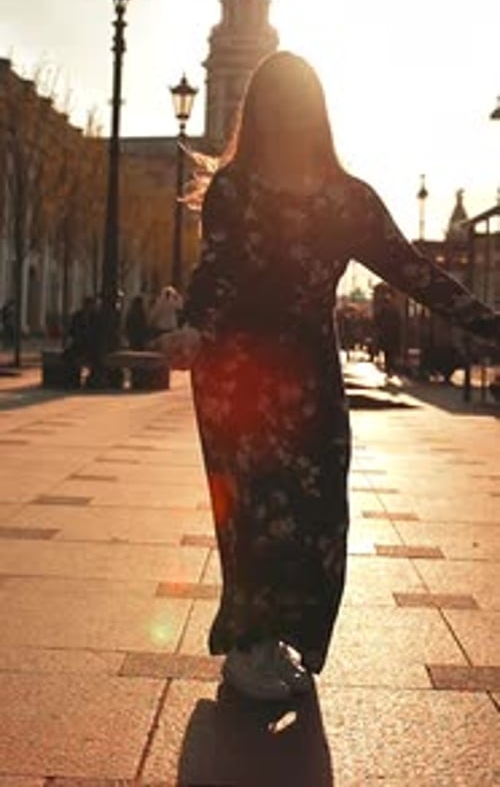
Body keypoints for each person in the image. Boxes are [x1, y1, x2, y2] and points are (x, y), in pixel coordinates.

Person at [156, 51, 499, 702]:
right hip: (238, 376)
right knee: (254, 509)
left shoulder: (347, 199)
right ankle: (249, 645)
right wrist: (195, 329)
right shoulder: (237, 190)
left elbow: (411, 271)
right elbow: (218, 272)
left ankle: (285, 638)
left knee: (318, 512)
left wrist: (490, 324)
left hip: (307, 376)